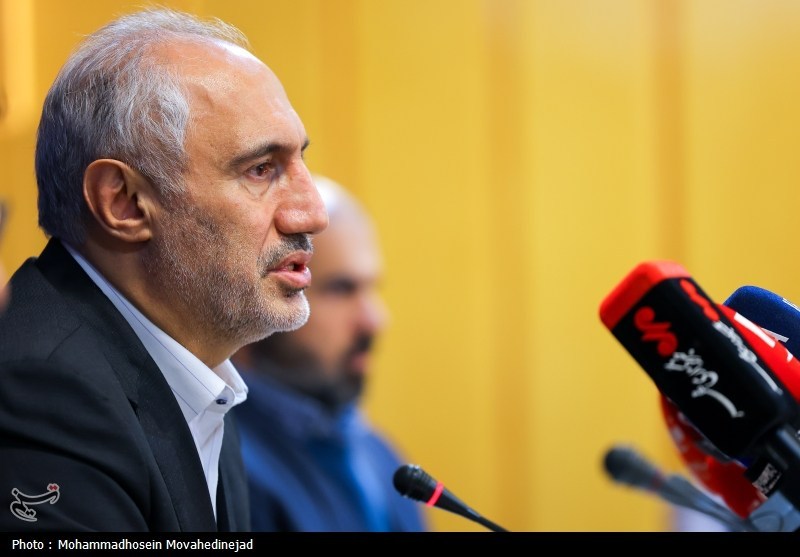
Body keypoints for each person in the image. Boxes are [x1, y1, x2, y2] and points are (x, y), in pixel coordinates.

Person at [0, 7, 327, 532]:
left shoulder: (202, 372)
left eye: (300, 162)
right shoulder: (43, 390)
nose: (312, 214)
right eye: (261, 169)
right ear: (125, 203)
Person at [231, 176, 428, 532]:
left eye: (372, 288)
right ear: (255, 302)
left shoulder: (381, 459)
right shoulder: (221, 468)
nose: (374, 320)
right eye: (340, 289)